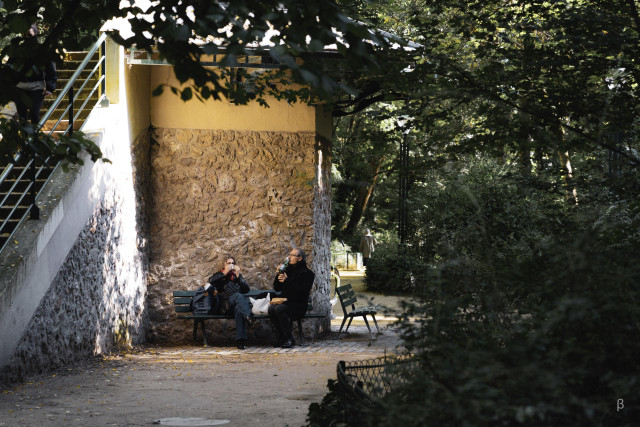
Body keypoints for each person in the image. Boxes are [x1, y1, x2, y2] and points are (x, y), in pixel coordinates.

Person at [268, 248, 314, 348]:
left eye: (292, 255)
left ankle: (289, 338)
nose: (289, 257)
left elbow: (302, 291)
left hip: (298, 305)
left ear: (300, 258)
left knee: (279, 309)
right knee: (271, 309)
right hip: (286, 302)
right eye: (289, 254)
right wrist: (278, 274)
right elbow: (277, 287)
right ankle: (282, 337)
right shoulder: (287, 270)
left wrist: (287, 280)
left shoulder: (308, 274)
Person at [208, 255, 254, 349]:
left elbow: (246, 290)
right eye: (229, 263)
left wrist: (238, 277)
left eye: (232, 263)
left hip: (237, 305)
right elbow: (211, 281)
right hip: (225, 306)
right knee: (238, 296)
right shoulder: (219, 275)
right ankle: (248, 316)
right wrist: (225, 272)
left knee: (239, 309)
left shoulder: (236, 276)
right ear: (224, 265)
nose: (231, 265)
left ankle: (241, 341)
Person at [15, 24, 57, 124]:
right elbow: (11, 67)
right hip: (20, 86)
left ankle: (35, 138)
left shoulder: (41, 50)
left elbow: (50, 69)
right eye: (25, 34)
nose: (27, 37)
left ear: (36, 34)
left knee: (34, 113)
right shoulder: (18, 50)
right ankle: (24, 138)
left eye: (29, 34)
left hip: (37, 86)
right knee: (22, 115)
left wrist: (50, 87)